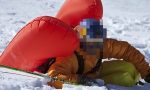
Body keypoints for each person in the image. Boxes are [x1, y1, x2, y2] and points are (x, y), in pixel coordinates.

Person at [47, 19, 150, 89]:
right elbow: (54, 76)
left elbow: (126, 50)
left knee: (131, 67)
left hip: (96, 73)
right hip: (87, 82)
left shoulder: (100, 45)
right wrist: (79, 80)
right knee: (126, 79)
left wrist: (146, 72)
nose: (97, 45)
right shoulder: (69, 55)